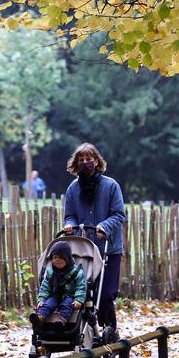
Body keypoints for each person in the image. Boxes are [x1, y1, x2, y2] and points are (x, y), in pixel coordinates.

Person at [62, 142, 125, 338]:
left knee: (106, 294)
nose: (85, 163)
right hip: (85, 251)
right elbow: (70, 215)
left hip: (109, 249)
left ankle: (111, 330)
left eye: (89, 159)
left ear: (97, 161)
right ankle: (89, 331)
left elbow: (118, 214)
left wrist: (104, 227)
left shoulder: (111, 186)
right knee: (87, 292)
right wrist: (70, 226)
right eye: (81, 160)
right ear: (76, 164)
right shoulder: (73, 189)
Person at [30, 240, 87, 327]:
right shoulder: (51, 272)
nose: (57, 260)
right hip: (55, 296)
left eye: (60, 257)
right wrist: (41, 299)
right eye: (55, 257)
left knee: (67, 304)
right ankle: (40, 317)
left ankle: (61, 320)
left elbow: (81, 287)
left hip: (70, 297)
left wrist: (78, 300)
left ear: (67, 258)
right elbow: (45, 287)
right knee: (48, 304)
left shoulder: (77, 272)